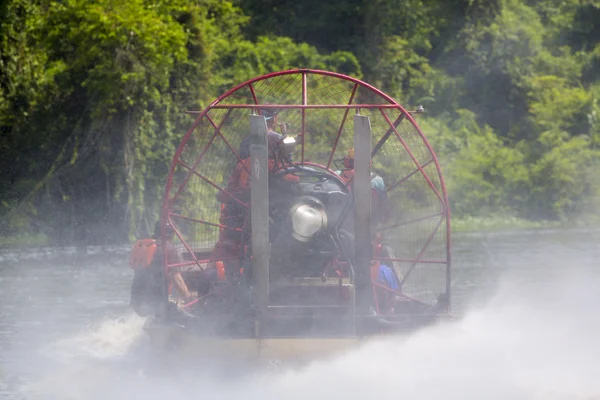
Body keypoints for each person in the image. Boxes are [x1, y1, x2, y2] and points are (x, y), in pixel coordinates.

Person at [210, 110, 298, 280]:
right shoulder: (273, 165)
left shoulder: (242, 165)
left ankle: (239, 280)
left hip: (238, 223)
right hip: (263, 223)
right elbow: (294, 184)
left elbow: (226, 193)